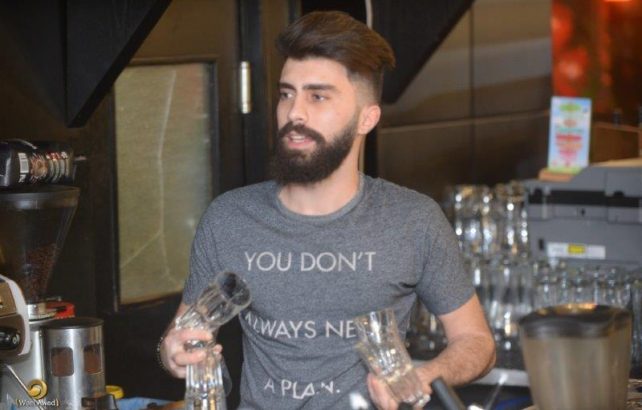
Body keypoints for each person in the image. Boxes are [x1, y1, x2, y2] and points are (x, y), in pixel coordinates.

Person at [159, 10, 495, 410]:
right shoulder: (229, 218)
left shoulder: (413, 220)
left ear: (367, 118)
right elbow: (183, 335)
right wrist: (172, 352)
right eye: (287, 94)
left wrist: (422, 377)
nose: (294, 113)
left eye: (317, 97)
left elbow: (477, 343)